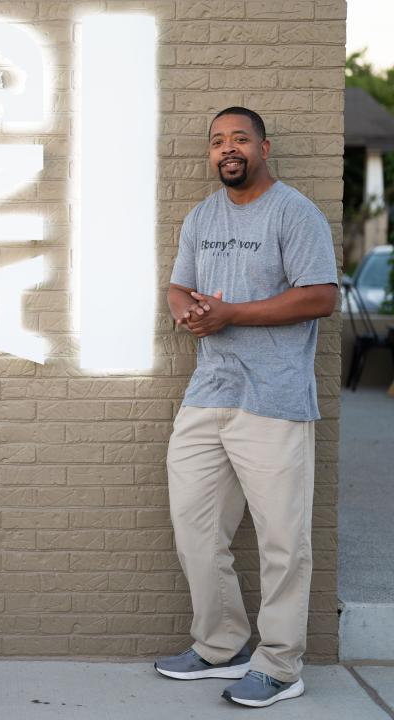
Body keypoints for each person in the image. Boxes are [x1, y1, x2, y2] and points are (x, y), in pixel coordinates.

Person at [153, 107, 337, 708]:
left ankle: (281, 665)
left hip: (274, 400)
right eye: (217, 142)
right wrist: (186, 309)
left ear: (263, 146)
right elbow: (180, 284)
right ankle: (220, 645)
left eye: (239, 139)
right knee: (196, 529)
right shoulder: (202, 217)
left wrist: (232, 313)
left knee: (284, 542)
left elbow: (320, 297)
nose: (227, 149)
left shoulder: (293, 211)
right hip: (209, 394)